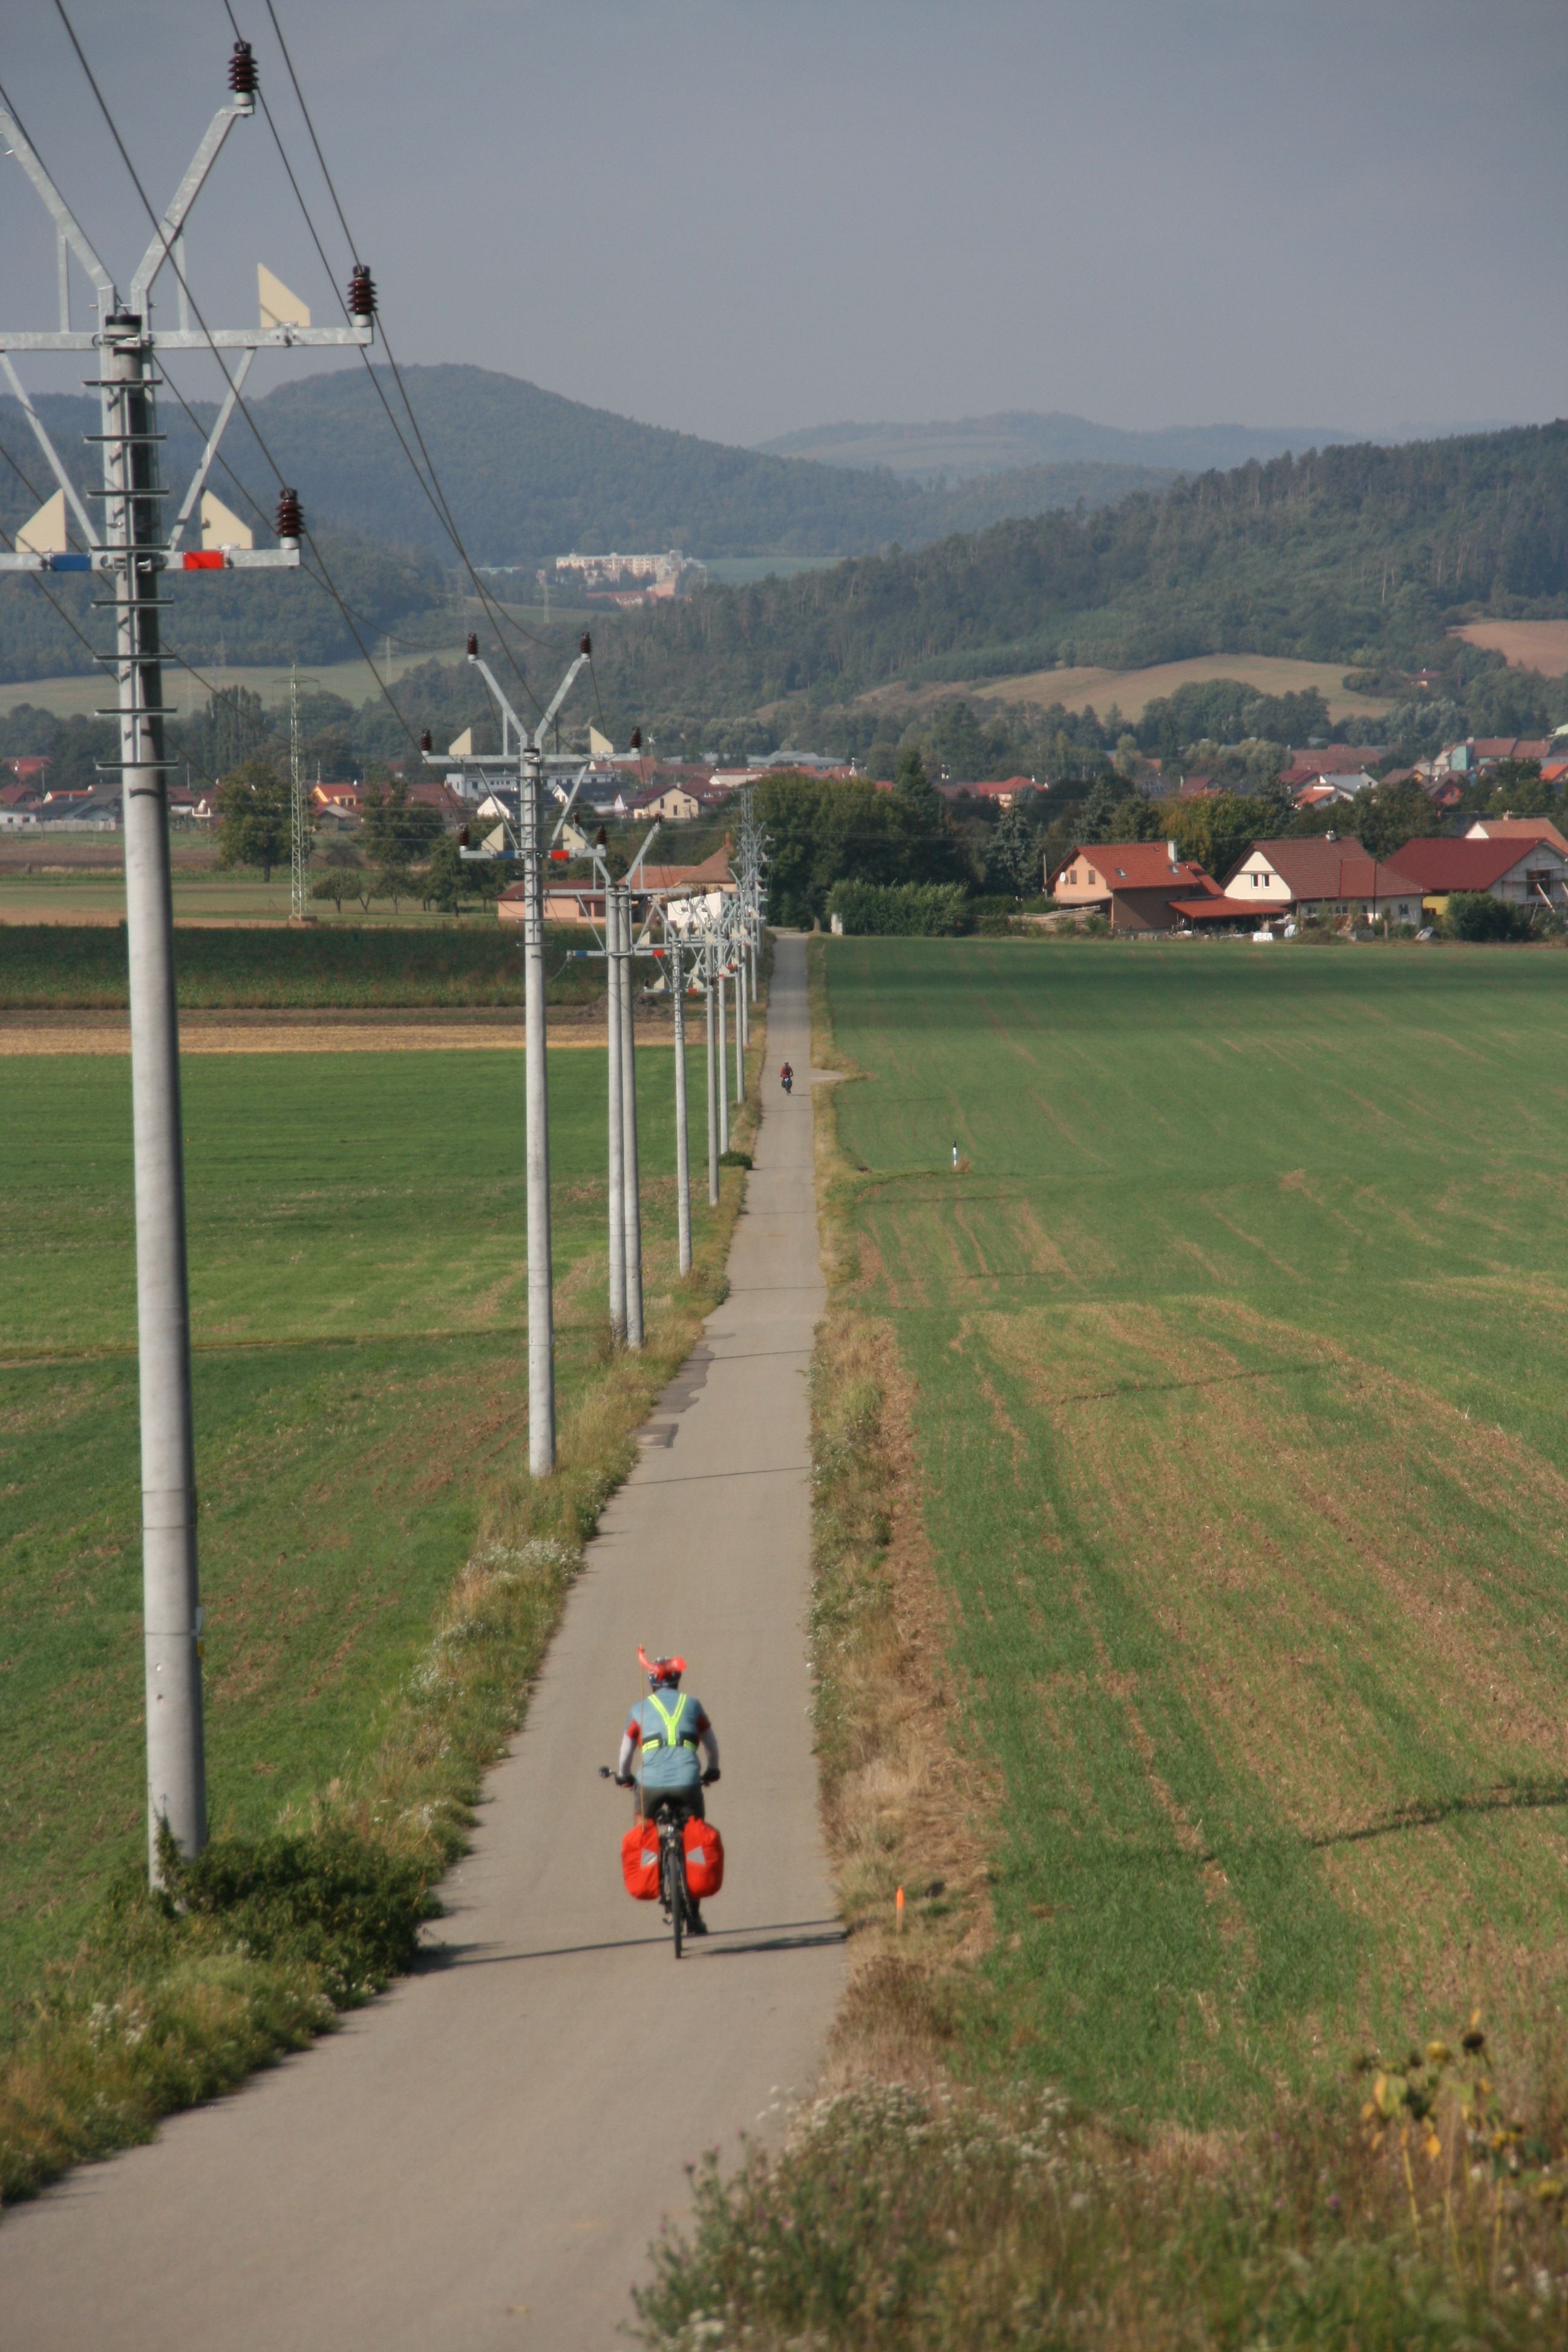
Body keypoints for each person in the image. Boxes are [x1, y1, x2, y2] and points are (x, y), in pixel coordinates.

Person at [616, 1651, 720, 1933]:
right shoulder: (693, 1704)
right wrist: (713, 1769)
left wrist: (623, 1776)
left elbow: (625, 1754)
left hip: (648, 1786)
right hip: (688, 1781)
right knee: (694, 1835)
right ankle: (694, 1916)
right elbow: (710, 1744)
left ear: (652, 1683)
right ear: (678, 1680)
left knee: (643, 1825)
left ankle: (650, 1865)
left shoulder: (638, 1708)